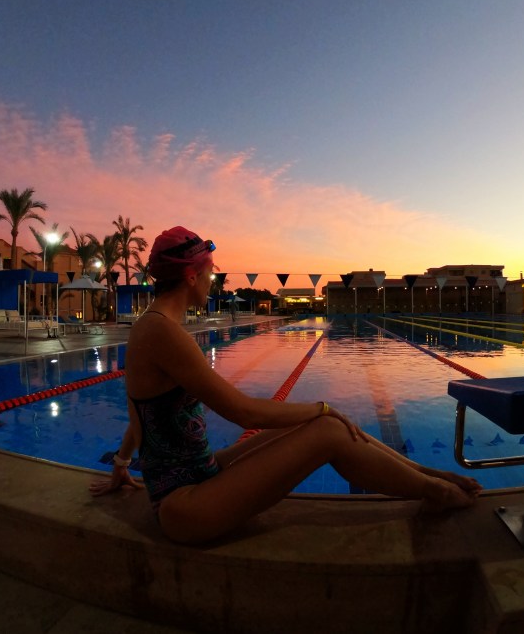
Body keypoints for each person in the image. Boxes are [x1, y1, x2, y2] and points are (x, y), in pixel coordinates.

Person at [90, 226, 481, 544]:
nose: (213, 279)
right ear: (191, 276)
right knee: (327, 427)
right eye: (210, 271)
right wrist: (322, 407)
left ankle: (427, 475)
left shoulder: (154, 326)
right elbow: (243, 412)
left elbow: (141, 408)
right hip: (184, 504)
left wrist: (122, 463)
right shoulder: (163, 332)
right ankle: (437, 491)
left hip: (201, 473)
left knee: (322, 423)